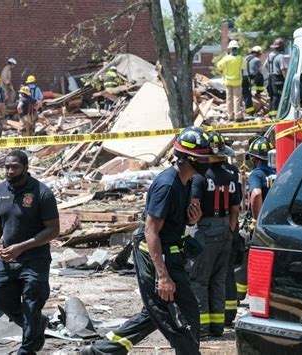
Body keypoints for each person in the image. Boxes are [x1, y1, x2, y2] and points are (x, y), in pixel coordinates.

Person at [81, 127, 214, 355]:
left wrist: (192, 219)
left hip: (170, 253)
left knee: (157, 312)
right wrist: (162, 276)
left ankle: (101, 351)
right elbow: (152, 232)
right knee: (174, 316)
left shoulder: (187, 182)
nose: (209, 161)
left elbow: (172, 222)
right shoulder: (167, 185)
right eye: (204, 157)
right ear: (190, 159)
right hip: (154, 256)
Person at [0, 149, 60, 355]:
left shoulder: (42, 193)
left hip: (34, 259)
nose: (10, 171)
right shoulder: (0, 190)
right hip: (7, 259)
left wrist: (21, 247)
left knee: (31, 302)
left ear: (25, 168)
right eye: (7, 167)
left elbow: (53, 230)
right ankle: (38, 324)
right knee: (0, 298)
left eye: (15, 167)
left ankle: (28, 348)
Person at [189, 131, 241, 337]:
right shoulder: (231, 175)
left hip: (207, 228)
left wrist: (193, 224)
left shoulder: (200, 176)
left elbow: (194, 205)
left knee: (199, 279)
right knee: (218, 280)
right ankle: (217, 326)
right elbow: (236, 207)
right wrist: (229, 227)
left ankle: (201, 328)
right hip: (226, 228)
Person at [235, 136, 275, 301]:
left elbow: (256, 194)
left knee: (247, 261)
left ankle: (237, 297)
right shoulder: (278, 171)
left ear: (254, 158)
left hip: (260, 225)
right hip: (275, 223)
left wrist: (258, 219)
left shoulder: (257, 174)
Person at [217, 40, 245, 122]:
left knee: (229, 99)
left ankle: (230, 116)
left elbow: (219, 67)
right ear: (237, 48)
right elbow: (243, 68)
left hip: (228, 81)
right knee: (237, 99)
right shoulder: (240, 59)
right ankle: (238, 116)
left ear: (230, 49)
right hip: (237, 82)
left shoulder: (226, 59)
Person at [263, 38, 288, 118]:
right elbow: (283, 69)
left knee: (272, 97)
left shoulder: (270, 55)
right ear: (281, 47)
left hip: (270, 78)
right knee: (277, 97)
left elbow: (265, 66)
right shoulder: (280, 56)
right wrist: (287, 80)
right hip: (278, 79)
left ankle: (271, 115)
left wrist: (271, 72)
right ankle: (276, 116)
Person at [242, 46, 265, 116]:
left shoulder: (245, 58)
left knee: (247, 95)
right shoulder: (257, 60)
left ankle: (250, 112)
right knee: (261, 76)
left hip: (244, 78)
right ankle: (259, 92)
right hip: (252, 78)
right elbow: (260, 71)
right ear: (257, 53)